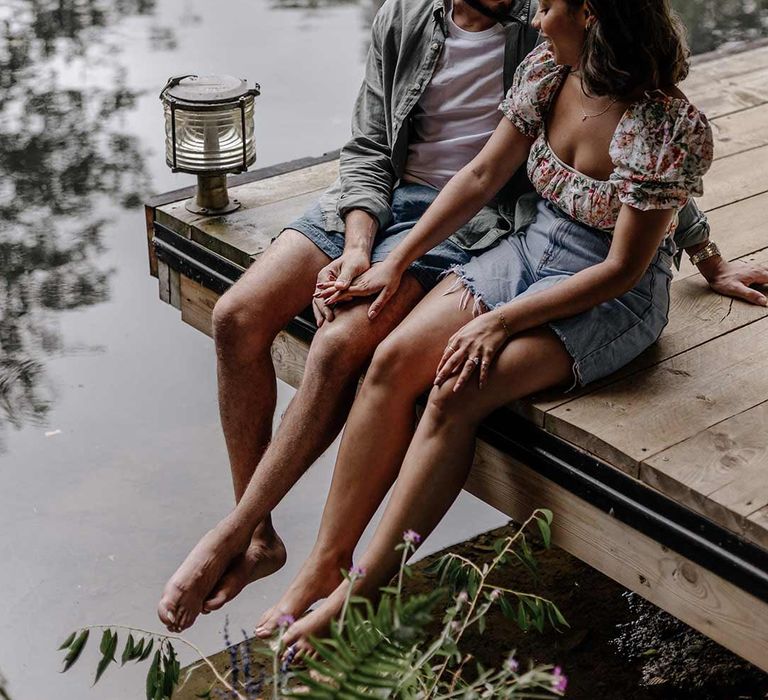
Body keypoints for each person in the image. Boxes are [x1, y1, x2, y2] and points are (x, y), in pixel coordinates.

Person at [157, 0, 768, 635]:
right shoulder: (541, 66)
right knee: (387, 360)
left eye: (550, 5)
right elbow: (471, 171)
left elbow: (628, 258)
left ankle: (361, 589)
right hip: (511, 243)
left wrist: (708, 261)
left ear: (589, 14)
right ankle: (321, 563)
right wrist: (393, 261)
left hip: (605, 289)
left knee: (451, 385)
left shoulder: (662, 121)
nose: (537, 13)